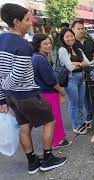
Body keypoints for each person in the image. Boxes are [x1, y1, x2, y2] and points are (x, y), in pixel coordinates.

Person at [0, 3, 67, 174]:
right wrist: (4, 88)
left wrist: (2, 96)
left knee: (24, 125)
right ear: (16, 22)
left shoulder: (1, 40)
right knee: (49, 120)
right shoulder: (23, 46)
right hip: (27, 94)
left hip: (11, 96)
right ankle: (48, 158)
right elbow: (17, 76)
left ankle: (32, 163)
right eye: (26, 20)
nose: (30, 23)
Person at [31, 34, 72, 149]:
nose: (49, 45)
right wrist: (62, 91)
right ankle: (57, 141)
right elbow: (51, 81)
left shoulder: (35, 57)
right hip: (48, 93)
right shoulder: (40, 59)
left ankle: (55, 141)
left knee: (50, 119)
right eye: (45, 44)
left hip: (41, 93)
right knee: (54, 119)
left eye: (49, 43)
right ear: (38, 45)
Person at [58, 27, 90, 134]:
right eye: (67, 36)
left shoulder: (78, 49)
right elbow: (70, 67)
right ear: (63, 38)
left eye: (71, 36)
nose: (70, 38)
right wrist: (80, 63)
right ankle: (76, 125)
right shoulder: (62, 50)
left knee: (80, 103)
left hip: (81, 77)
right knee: (74, 104)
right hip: (71, 79)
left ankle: (81, 122)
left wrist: (76, 63)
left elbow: (87, 62)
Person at [71, 20, 94, 128]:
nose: (81, 30)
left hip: (92, 70)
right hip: (77, 73)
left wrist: (93, 62)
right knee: (84, 95)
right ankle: (89, 113)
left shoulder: (89, 41)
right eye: (79, 28)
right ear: (73, 29)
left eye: (83, 28)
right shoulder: (71, 43)